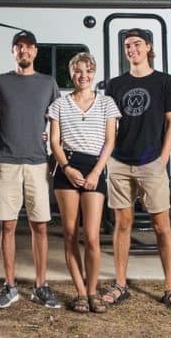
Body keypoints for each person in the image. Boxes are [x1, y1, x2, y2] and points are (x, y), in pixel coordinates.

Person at [102, 28, 171, 312]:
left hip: (151, 162)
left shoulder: (164, 82)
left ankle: (170, 288)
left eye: (137, 44)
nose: (132, 49)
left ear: (148, 47)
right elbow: (109, 126)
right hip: (120, 161)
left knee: (162, 227)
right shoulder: (115, 85)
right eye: (127, 46)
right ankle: (120, 284)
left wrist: (163, 158)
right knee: (122, 224)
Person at [0, 30, 61, 309]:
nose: (24, 52)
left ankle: (41, 286)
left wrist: (49, 136)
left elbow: (56, 117)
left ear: (35, 52)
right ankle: (10, 286)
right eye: (19, 47)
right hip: (7, 161)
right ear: (13, 51)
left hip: (37, 162)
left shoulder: (47, 83)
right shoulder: (1, 82)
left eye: (29, 47)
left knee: (39, 226)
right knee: (7, 226)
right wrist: (9, 133)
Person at [48, 52, 120, 314]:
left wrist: (95, 173)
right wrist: (66, 168)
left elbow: (110, 141)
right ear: (71, 74)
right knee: (70, 233)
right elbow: (54, 141)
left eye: (88, 71)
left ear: (94, 73)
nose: (83, 76)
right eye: (78, 71)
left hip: (94, 168)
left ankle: (92, 291)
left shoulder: (107, 103)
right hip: (67, 168)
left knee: (91, 236)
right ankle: (80, 292)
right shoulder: (59, 104)